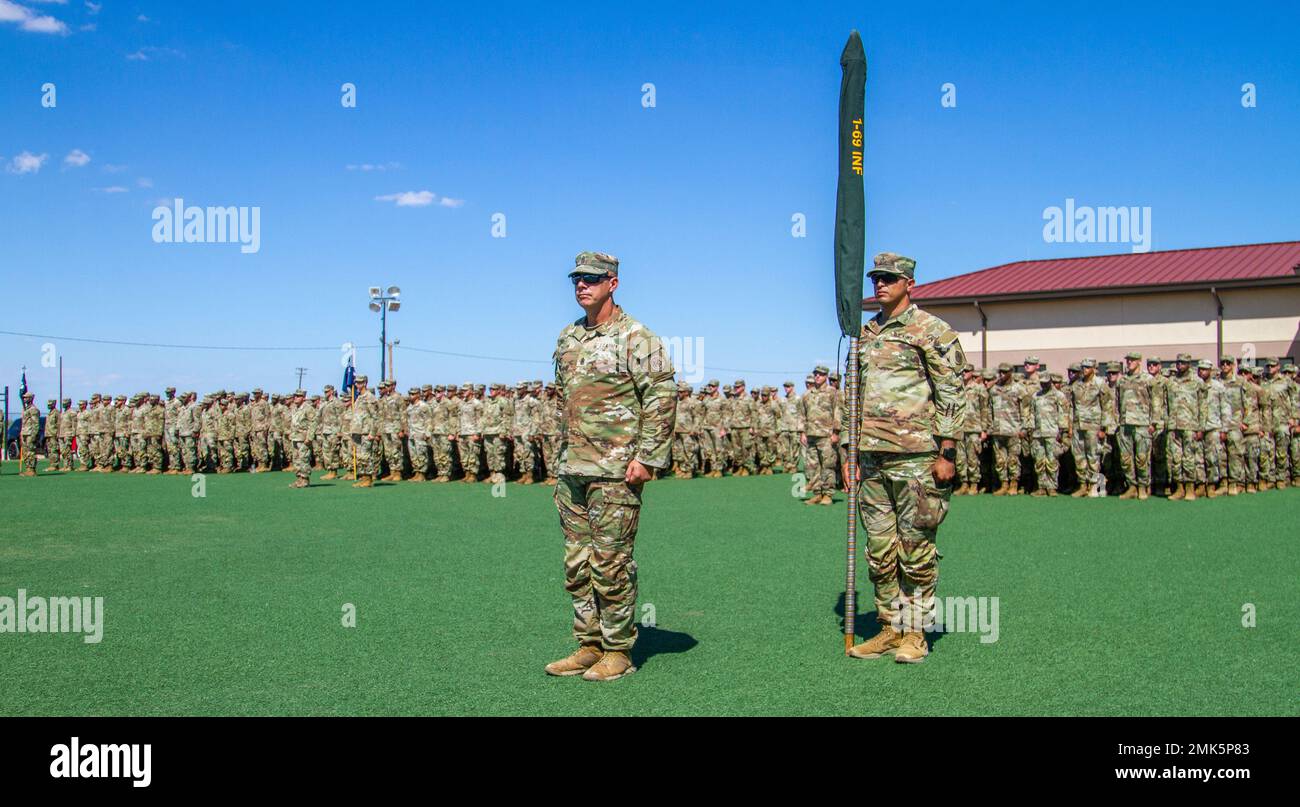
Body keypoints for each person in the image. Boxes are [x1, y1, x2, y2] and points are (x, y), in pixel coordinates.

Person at [545, 251, 677, 683]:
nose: (582, 286)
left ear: (612, 283)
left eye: (591, 279)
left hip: (616, 470)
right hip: (572, 468)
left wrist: (648, 457)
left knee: (611, 562)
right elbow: (565, 399)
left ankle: (618, 649)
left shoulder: (637, 337)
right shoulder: (568, 337)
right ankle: (589, 643)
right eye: (576, 280)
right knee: (576, 561)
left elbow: (661, 396)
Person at [841, 252, 966, 664]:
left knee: (916, 548)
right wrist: (848, 449)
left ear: (909, 283)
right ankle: (889, 627)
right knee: (879, 550)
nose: (880, 284)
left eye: (890, 279)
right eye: (876, 278)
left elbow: (951, 391)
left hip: (917, 456)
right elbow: (851, 396)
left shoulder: (932, 330)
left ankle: (916, 632)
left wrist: (947, 449)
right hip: (871, 458)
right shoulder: (865, 333)